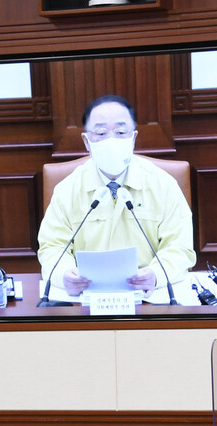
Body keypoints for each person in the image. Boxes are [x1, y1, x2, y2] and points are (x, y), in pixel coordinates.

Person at [37, 94, 196, 296]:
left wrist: (155, 275)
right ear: (86, 141)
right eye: (101, 133)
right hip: (86, 299)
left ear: (133, 138)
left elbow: (180, 247)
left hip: (150, 297)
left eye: (121, 131)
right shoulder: (67, 189)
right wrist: (64, 275)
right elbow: (52, 247)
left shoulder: (164, 185)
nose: (111, 140)